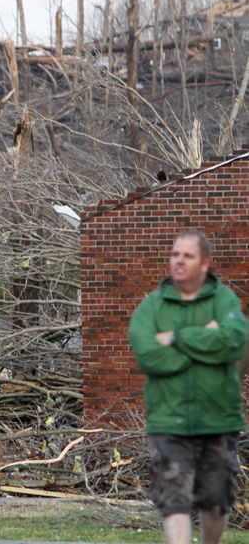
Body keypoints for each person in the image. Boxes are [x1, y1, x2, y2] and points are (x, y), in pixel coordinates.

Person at [127, 230, 247, 544]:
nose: (179, 260)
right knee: (173, 499)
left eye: (188, 255)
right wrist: (204, 346)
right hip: (169, 420)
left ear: (204, 263)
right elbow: (149, 355)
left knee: (216, 502)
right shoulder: (152, 307)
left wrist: (177, 338)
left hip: (218, 420)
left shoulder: (224, 301)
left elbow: (234, 341)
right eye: (175, 254)